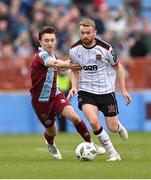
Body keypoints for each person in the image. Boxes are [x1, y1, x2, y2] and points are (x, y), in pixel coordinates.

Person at [30, 26, 105, 160]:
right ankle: (50, 142)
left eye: (52, 40)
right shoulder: (40, 56)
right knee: (52, 131)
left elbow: (61, 65)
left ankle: (91, 144)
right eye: (46, 40)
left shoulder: (53, 54)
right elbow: (56, 63)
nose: (50, 43)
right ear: (40, 42)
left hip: (56, 95)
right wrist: (70, 64)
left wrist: (75, 63)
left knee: (75, 117)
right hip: (41, 101)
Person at [68, 18, 132, 161]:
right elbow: (74, 70)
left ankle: (118, 126)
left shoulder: (106, 49)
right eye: (82, 33)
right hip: (86, 91)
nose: (85, 36)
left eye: (88, 33)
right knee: (94, 122)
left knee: (112, 128)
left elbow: (118, 68)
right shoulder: (74, 50)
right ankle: (113, 153)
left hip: (106, 91)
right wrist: (74, 86)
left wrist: (123, 90)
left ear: (95, 32)